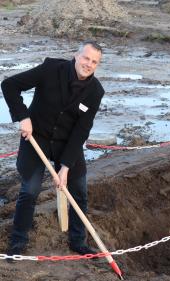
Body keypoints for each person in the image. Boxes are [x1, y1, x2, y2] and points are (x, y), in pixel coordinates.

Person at [1, 41, 104, 259]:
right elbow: (9, 85)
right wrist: (23, 116)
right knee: (30, 190)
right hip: (36, 137)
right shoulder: (50, 69)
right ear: (76, 56)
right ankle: (18, 241)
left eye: (94, 62)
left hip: (67, 144)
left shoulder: (95, 92)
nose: (89, 64)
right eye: (86, 58)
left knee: (78, 191)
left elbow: (81, 131)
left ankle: (78, 241)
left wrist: (65, 168)